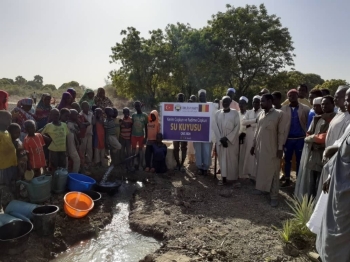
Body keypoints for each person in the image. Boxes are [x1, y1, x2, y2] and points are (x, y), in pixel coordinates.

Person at [314, 130, 350, 262]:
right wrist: (331, 177)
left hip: (346, 191)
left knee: (341, 231)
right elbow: (344, 152)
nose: (346, 107)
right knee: (331, 224)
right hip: (339, 185)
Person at [250, 94, 284, 207]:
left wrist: (280, 148)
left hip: (272, 148)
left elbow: (281, 133)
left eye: (263, 101)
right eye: (260, 102)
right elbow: (257, 131)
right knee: (261, 169)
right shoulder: (261, 114)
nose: (261, 103)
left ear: (270, 101)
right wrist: (253, 145)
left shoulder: (279, 114)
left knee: (274, 172)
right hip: (260, 148)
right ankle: (262, 188)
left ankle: (274, 196)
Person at [305, 96, 336, 198]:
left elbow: (328, 137)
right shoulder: (317, 118)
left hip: (325, 157)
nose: (324, 106)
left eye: (327, 104)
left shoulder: (335, 119)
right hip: (313, 155)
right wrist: (313, 139)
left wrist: (317, 141)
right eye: (322, 104)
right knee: (311, 183)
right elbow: (308, 135)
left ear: (333, 104)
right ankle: (310, 206)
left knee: (321, 183)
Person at [294, 97, 323, 199]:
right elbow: (309, 131)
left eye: (318, 106)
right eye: (314, 106)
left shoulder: (326, 119)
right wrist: (310, 137)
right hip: (310, 148)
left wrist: (311, 138)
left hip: (319, 152)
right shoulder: (314, 115)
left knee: (318, 178)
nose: (315, 108)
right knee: (309, 175)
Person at [280, 89, 310, 187]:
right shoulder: (283, 109)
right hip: (288, 139)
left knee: (299, 160)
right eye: (290, 96)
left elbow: (308, 123)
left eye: (294, 95)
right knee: (286, 160)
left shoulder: (305, 108)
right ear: (287, 97)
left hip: (300, 138)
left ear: (297, 96)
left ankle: (298, 181)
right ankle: (287, 179)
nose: (292, 97)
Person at [213, 96, 240, 187]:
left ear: (230, 102)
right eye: (223, 102)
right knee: (222, 161)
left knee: (232, 160)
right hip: (220, 142)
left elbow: (237, 127)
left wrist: (227, 138)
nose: (225, 104)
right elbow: (215, 127)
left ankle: (232, 179)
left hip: (231, 142)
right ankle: (223, 178)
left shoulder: (235, 113)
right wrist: (221, 139)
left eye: (227, 102)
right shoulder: (217, 113)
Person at [241, 95, 262, 181]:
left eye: (257, 102)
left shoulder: (263, 112)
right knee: (249, 155)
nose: (256, 103)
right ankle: (250, 174)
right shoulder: (249, 112)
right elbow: (243, 122)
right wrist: (255, 121)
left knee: (258, 155)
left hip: (259, 136)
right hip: (249, 136)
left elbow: (261, 123)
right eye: (254, 102)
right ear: (252, 103)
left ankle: (257, 175)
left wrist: (250, 124)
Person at [193, 89, 212, 176]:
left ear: (206, 97)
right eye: (200, 96)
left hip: (207, 132)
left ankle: (206, 167)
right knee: (198, 150)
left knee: (206, 150)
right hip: (196, 132)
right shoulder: (195, 106)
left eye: (203, 96)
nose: (202, 97)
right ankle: (199, 167)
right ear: (198, 97)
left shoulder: (210, 106)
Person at [131, 101, 148, 171]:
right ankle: (132, 165)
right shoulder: (133, 115)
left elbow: (146, 127)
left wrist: (146, 137)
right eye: (136, 106)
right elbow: (131, 125)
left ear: (141, 106)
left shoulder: (145, 115)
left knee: (141, 150)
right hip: (133, 135)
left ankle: (140, 165)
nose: (137, 107)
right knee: (133, 150)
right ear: (134, 107)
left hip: (141, 135)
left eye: (138, 106)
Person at [173, 93, 187, 171]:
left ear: (184, 99)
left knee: (183, 148)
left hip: (184, 130)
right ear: (177, 99)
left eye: (182, 98)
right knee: (176, 148)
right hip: (175, 130)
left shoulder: (187, 107)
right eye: (179, 97)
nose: (180, 99)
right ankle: (177, 164)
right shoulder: (175, 107)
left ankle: (182, 164)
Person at [80, 101, 93, 166]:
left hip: (90, 133)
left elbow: (92, 122)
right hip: (83, 134)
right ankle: (82, 162)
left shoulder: (91, 114)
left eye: (88, 106)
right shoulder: (80, 115)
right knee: (83, 148)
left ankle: (89, 161)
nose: (87, 108)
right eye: (85, 107)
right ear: (82, 107)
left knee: (89, 148)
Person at [238, 96, 248, 178]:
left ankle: (243, 173)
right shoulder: (235, 113)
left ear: (246, 105)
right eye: (240, 103)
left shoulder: (249, 114)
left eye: (243, 103)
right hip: (235, 138)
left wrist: (243, 133)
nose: (241, 105)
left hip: (245, 137)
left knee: (244, 155)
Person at [187, 98, 196, 163]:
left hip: (194, 130)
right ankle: (190, 159)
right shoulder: (185, 110)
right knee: (189, 145)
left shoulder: (195, 110)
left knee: (193, 145)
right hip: (188, 129)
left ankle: (194, 158)